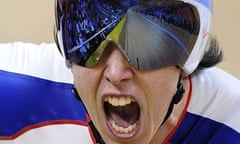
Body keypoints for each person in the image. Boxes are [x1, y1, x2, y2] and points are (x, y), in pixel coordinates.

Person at [54, 0, 240, 143]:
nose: (116, 74)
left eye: (148, 40)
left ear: (190, 53)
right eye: (90, 35)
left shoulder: (233, 123)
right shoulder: (28, 89)